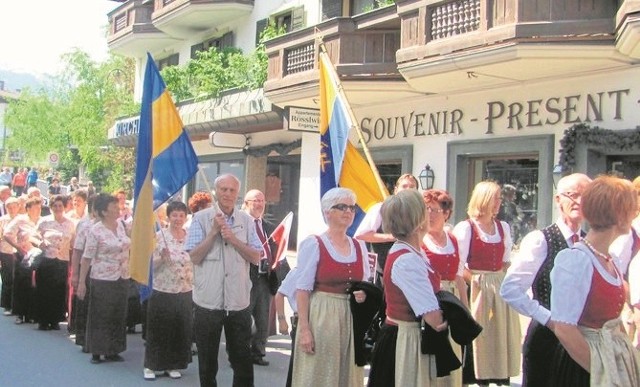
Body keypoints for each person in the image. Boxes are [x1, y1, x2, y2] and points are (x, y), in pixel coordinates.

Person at [500, 173, 591, 387]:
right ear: (558, 200)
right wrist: (548, 319)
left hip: (581, 340)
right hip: (546, 340)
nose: (579, 201)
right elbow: (511, 289)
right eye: (573, 195)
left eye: (585, 195)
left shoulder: (589, 241)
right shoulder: (541, 240)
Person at [549, 175, 640, 385]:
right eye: (630, 209)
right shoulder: (576, 260)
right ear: (618, 214)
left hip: (611, 356)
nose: (635, 214)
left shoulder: (610, 258)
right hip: (584, 367)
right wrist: (601, 370)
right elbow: (564, 329)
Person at [185, 174, 261, 387]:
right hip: (208, 303)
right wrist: (213, 233)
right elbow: (194, 257)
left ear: (238, 193)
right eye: (223, 189)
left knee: (242, 360)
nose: (227, 194)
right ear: (216, 191)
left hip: (238, 303)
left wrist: (233, 240)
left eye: (232, 190)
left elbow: (256, 256)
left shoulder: (246, 221)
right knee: (208, 363)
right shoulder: (200, 219)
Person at [292, 187, 370, 387]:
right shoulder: (314, 244)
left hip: (350, 316)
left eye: (352, 208)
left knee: (347, 374)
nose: (348, 212)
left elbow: (365, 284)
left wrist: (363, 294)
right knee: (320, 372)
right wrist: (305, 330)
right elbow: (302, 290)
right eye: (341, 207)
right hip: (322, 315)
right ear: (327, 212)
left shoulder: (359, 246)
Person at [367, 189, 446, 386]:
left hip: (403, 336)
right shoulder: (408, 260)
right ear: (419, 220)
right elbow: (433, 317)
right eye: (425, 210)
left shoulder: (408, 252)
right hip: (406, 340)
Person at [452, 180, 520, 385]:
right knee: (480, 335)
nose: (499, 202)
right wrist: (476, 279)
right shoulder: (466, 228)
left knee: (500, 332)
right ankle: (479, 376)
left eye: (499, 198)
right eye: (495, 198)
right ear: (483, 200)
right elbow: (458, 265)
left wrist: (497, 278)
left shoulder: (503, 227)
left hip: (498, 286)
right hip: (476, 288)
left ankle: (500, 374)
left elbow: (506, 261)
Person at [420, 189, 468, 387]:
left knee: (453, 350)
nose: (429, 215)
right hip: (430, 299)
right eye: (426, 210)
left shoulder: (454, 240)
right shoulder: (419, 240)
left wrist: (466, 312)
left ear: (446, 214)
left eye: (435, 210)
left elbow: (458, 278)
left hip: (452, 299)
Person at [77, 193, 131, 364]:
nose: (117, 209)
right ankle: (97, 350)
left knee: (117, 313)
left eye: (117, 206)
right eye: (113, 207)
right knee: (101, 314)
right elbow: (86, 257)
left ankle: (113, 349)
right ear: (104, 211)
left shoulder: (121, 225)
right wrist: (80, 282)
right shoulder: (95, 230)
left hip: (122, 275)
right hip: (102, 277)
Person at [143, 201, 193, 380]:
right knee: (159, 328)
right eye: (174, 215)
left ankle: (173, 364)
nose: (178, 219)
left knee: (180, 328)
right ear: (168, 216)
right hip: (163, 289)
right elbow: (149, 267)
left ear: (185, 217)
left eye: (181, 215)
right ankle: (151, 365)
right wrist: (161, 259)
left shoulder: (191, 237)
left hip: (185, 290)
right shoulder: (159, 236)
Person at [355, 174, 419, 287]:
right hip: (381, 274)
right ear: (396, 190)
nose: (408, 189)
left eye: (412, 187)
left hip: (407, 275)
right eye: (404, 186)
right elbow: (361, 235)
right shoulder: (380, 208)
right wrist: (391, 237)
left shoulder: (419, 214)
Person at [243, 189, 278, 367]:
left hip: (265, 277)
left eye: (262, 201)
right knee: (243, 317)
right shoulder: (241, 224)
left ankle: (258, 352)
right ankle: (239, 351)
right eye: (255, 200)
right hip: (246, 276)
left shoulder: (267, 225)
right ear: (246, 203)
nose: (259, 204)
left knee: (263, 318)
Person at [34, 195, 75, 331]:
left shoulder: (70, 223)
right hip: (46, 259)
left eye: (60, 206)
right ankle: (43, 320)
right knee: (45, 289)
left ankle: (55, 319)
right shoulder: (44, 222)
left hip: (62, 260)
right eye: (55, 206)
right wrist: (40, 242)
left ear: (64, 207)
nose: (58, 208)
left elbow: (74, 242)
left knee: (59, 290)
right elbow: (33, 235)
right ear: (51, 207)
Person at [3, 197, 43, 324]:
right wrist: (18, 248)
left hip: (37, 255)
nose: (38, 210)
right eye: (35, 208)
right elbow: (7, 234)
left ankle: (31, 314)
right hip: (22, 255)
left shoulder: (42, 221)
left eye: (39, 208)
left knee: (34, 285)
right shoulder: (20, 220)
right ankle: (20, 314)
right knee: (21, 284)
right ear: (28, 209)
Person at [69, 194, 97, 349]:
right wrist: (75, 274)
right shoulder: (84, 224)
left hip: (100, 269)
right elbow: (77, 250)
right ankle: (83, 338)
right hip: (85, 266)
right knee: (85, 303)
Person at [275, 268, 299, 387]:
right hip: (300, 323)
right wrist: (282, 320)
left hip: (320, 324)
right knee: (296, 369)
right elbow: (280, 294)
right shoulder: (299, 270)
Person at [0, 197, 20, 315]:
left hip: (19, 252)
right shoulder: (3, 220)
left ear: (18, 207)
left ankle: (16, 306)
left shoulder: (21, 219)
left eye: (14, 207)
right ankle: (6, 305)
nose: (12, 209)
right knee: (7, 279)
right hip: (5, 252)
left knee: (17, 279)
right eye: (9, 207)